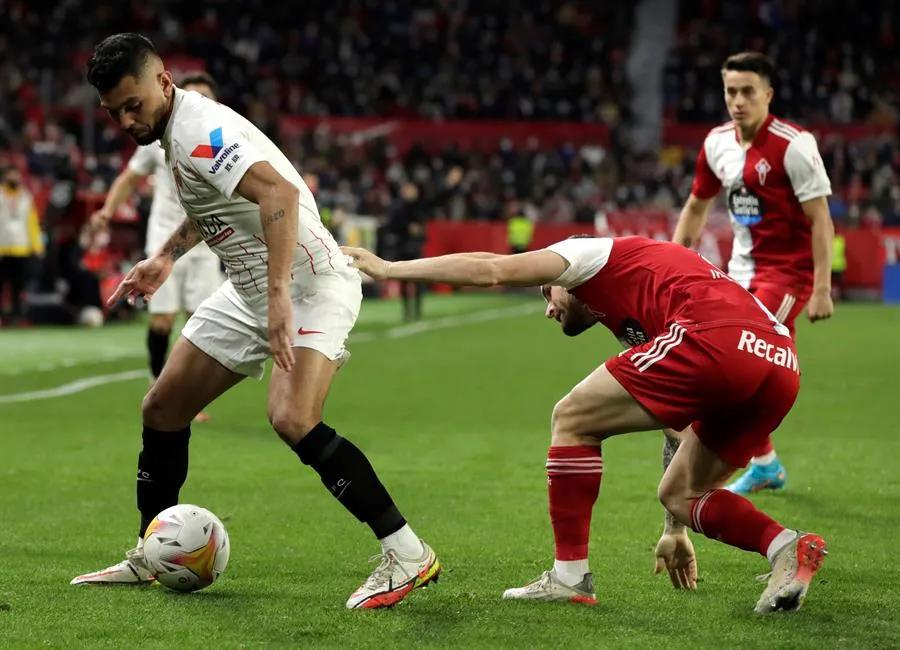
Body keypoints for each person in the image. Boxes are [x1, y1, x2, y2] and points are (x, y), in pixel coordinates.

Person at [69, 33, 440, 610]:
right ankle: (149, 551)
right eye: (113, 110)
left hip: (309, 283)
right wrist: (164, 257)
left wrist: (277, 297)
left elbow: (280, 196)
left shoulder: (197, 129)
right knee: (162, 408)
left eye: (132, 104)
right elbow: (212, 204)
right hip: (250, 289)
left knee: (293, 417)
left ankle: (408, 553)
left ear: (163, 82)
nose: (124, 119)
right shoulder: (174, 131)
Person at [342, 235, 828, 614]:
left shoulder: (586, 254)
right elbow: (678, 428)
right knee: (681, 493)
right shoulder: (642, 304)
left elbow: (491, 269)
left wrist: (389, 268)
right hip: (779, 362)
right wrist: (675, 531)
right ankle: (785, 548)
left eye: (547, 292)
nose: (549, 307)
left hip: (716, 339)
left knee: (571, 417)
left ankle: (569, 577)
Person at [672, 52, 834, 496]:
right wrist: (671, 260)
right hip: (740, 271)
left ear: (768, 94)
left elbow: (821, 218)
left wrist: (822, 288)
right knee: (746, 366)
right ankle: (764, 463)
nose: (738, 100)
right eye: (730, 91)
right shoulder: (716, 143)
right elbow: (697, 205)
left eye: (748, 91)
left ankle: (730, 461)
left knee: (740, 361)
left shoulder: (794, 145)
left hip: (788, 275)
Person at [91, 71, 224, 421]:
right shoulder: (158, 140)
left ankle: (190, 397)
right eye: (191, 94)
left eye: (204, 97)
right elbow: (129, 177)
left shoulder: (220, 140)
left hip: (207, 242)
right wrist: (106, 212)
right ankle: (157, 382)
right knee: (163, 320)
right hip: (164, 239)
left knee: (201, 320)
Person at [0, 165, 43, 326]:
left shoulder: (25, 196)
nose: (14, 178)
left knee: (18, 286)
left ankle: (17, 316)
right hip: (2, 247)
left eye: (16, 175)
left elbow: (32, 222)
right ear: (5, 176)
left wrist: (36, 245)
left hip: (21, 247)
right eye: (11, 174)